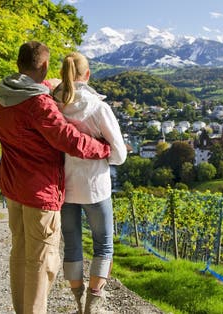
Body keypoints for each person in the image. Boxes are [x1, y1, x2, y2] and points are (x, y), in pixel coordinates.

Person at [0, 41, 111, 314]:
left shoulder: (2, 92)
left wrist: (48, 86)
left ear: (18, 64)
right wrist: (104, 149)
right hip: (39, 192)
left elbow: (30, 98)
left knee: (20, 255)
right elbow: (68, 139)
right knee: (41, 262)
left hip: (13, 186)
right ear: (45, 66)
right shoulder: (38, 104)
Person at [53, 52, 127, 314]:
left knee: (72, 243)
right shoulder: (98, 108)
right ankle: (93, 303)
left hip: (65, 187)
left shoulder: (53, 106)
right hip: (96, 187)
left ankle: (76, 298)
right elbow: (119, 155)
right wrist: (104, 148)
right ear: (87, 75)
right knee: (103, 244)